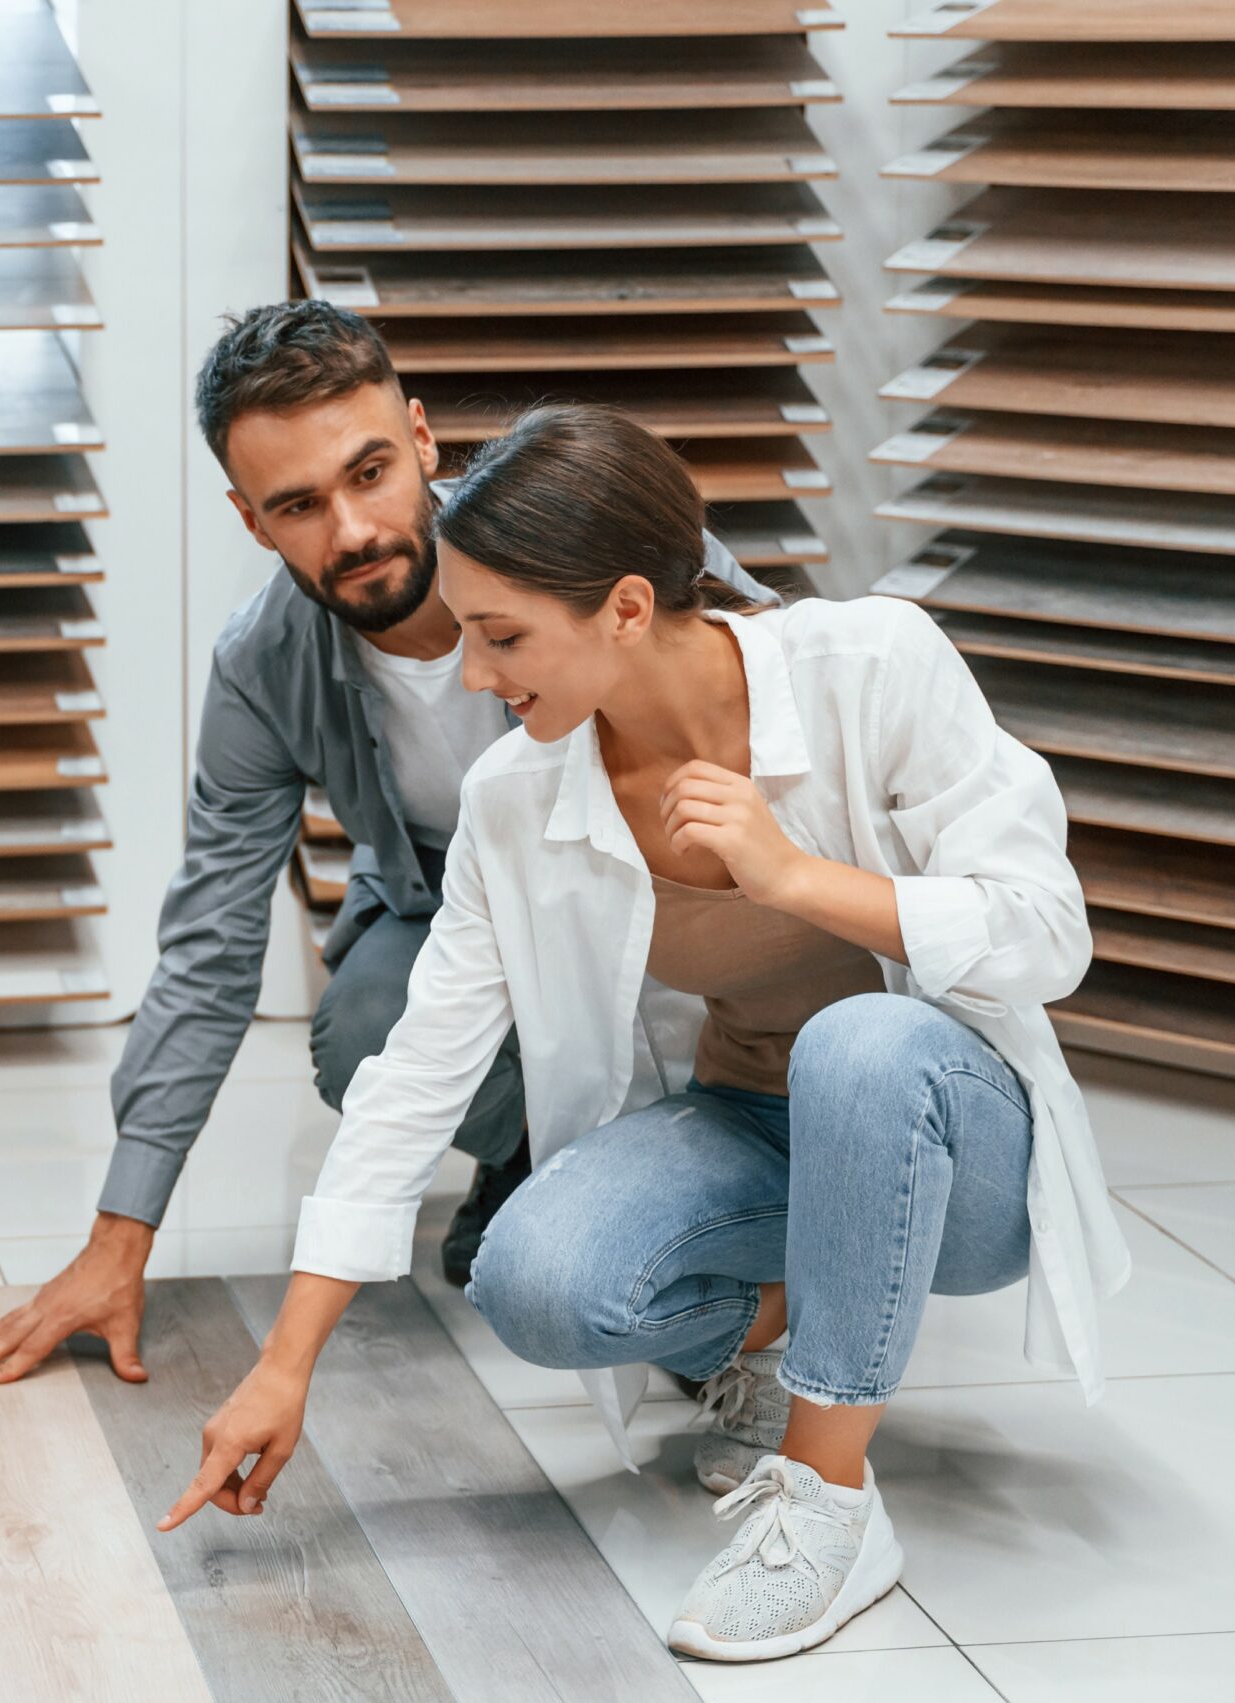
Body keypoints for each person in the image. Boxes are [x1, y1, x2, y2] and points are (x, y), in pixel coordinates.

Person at [158, 404, 1132, 1665]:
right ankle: (797, 1324)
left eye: (501, 637)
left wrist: (789, 876)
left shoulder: (871, 663)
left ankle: (830, 1508)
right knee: (532, 1274)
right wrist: (285, 1362)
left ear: (624, 607)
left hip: (955, 1146)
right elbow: (416, 1077)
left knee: (859, 1041)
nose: (474, 675)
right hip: (755, 1123)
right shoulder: (518, 796)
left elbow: (1046, 933)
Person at [0, 303, 775, 1388]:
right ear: (252, 522)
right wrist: (121, 1233)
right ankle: (544, 1166)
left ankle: (684, 1187)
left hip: (673, 906)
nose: (350, 530)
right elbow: (209, 943)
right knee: (365, 1026)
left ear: (423, 441)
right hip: (455, 922)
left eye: (370, 472)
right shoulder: (261, 665)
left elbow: (784, 697)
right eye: (297, 504)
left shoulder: (589, 543)